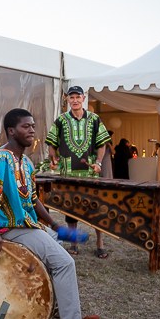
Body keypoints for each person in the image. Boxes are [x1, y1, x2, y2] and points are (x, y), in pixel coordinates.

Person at [0, 108, 106, 319]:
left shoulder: (27, 162)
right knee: (65, 263)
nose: (32, 130)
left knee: (57, 253)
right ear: (11, 131)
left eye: (33, 126)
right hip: (10, 229)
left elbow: (33, 201)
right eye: (25, 126)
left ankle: (61, 309)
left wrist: (55, 226)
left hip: (27, 227)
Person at [45, 86, 111, 259]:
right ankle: (74, 243)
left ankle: (100, 243)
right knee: (71, 208)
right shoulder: (61, 120)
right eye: (71, 97)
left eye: (77, 97)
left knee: (96, 207)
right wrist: (53, 158)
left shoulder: (95, 119)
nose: (74, 100)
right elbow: (52, 142)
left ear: (84, 98)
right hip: (69, 173)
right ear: (67, 99)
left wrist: (98, 162)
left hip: (90, 174)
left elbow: (101, 144)